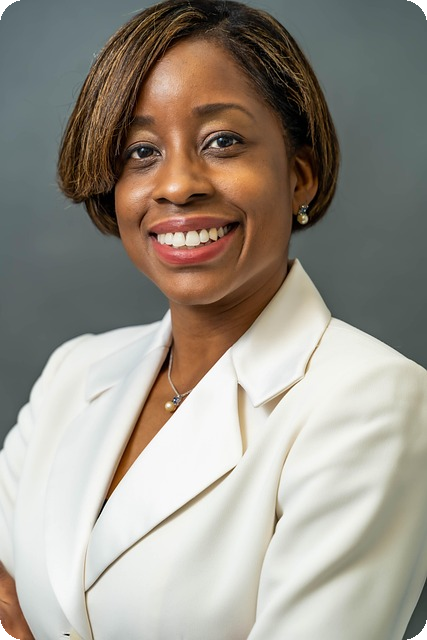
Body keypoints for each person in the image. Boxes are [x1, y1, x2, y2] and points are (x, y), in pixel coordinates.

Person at [1, 0, 426, 637]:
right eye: (140, 151)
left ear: (300, 177)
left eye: (222, 141)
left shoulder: (377, 402)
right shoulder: (74, 371)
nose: (177, 185)